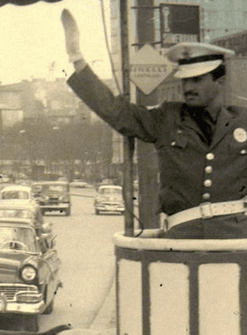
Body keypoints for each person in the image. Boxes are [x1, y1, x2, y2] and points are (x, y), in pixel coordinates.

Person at [61, 9, 247, 239]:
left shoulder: (243, 121)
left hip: (236, 241)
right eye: (185, 80)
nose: (188, 87)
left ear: (220, 81)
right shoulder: (166, 118)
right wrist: (76, 58)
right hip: (181, 239)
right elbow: (117, 111)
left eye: (197, 80)